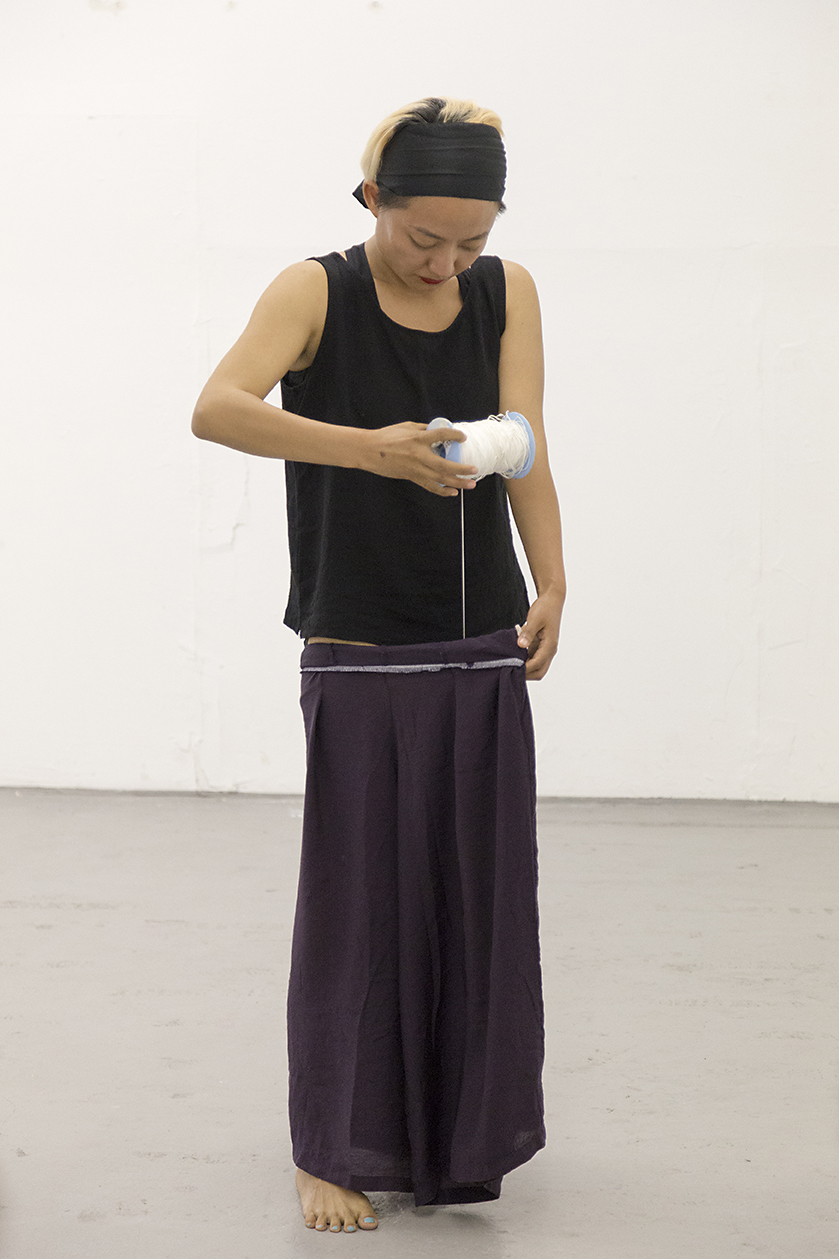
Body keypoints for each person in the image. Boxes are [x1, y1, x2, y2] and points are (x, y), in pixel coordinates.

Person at [192, 96, 566, 1235]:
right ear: (372, 201)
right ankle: (332, 1144)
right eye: (424, 238)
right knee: (358, 906)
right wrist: (370, 452)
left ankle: (459, 1138)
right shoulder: (315, 292)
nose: (447, 262)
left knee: (478, 902)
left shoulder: (506, 291)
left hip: (479, 634)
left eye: (471, 240)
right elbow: (217, 409)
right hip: (358, 639)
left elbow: (521, 443)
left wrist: (552, 581)